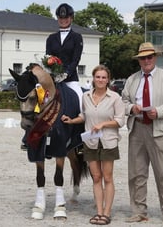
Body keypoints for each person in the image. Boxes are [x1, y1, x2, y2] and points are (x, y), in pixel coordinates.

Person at [121, 42, 163, 227]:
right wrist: (131, 107)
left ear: (155, 57)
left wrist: (160, 111)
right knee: (136, 173)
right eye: (143, 58)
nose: (146, 60)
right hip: (137, 128)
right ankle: (139, 211)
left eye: (149, 57)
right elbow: (122, 101)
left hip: (160, 130)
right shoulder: (131, 80)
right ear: (139, 60)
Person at [61, 65, 125, 225]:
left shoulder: (115, 97)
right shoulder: (86, 96)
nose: (101, 80)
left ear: (108, 79)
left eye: (104, 77)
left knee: (108, 177)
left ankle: (107, 213)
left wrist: (103, 124)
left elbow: (120, 121)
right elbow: (84, 115)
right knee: (96, 178)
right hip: (90, 141)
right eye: (98, 77)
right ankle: (98, 212)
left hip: (108, 142)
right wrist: (71, 120)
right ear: (93, 78)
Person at [46, 3, 84, 110]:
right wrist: (53, 73)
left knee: (81, 101)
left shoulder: (77, 37)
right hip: (53, 78)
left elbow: (76, 59)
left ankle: (83, 123)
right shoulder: (51, 38)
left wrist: (66, 73)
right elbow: (48, 57)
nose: (63, 20)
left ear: (71, 18)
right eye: (60, 18)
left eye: (66, 17)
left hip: (70, 79)